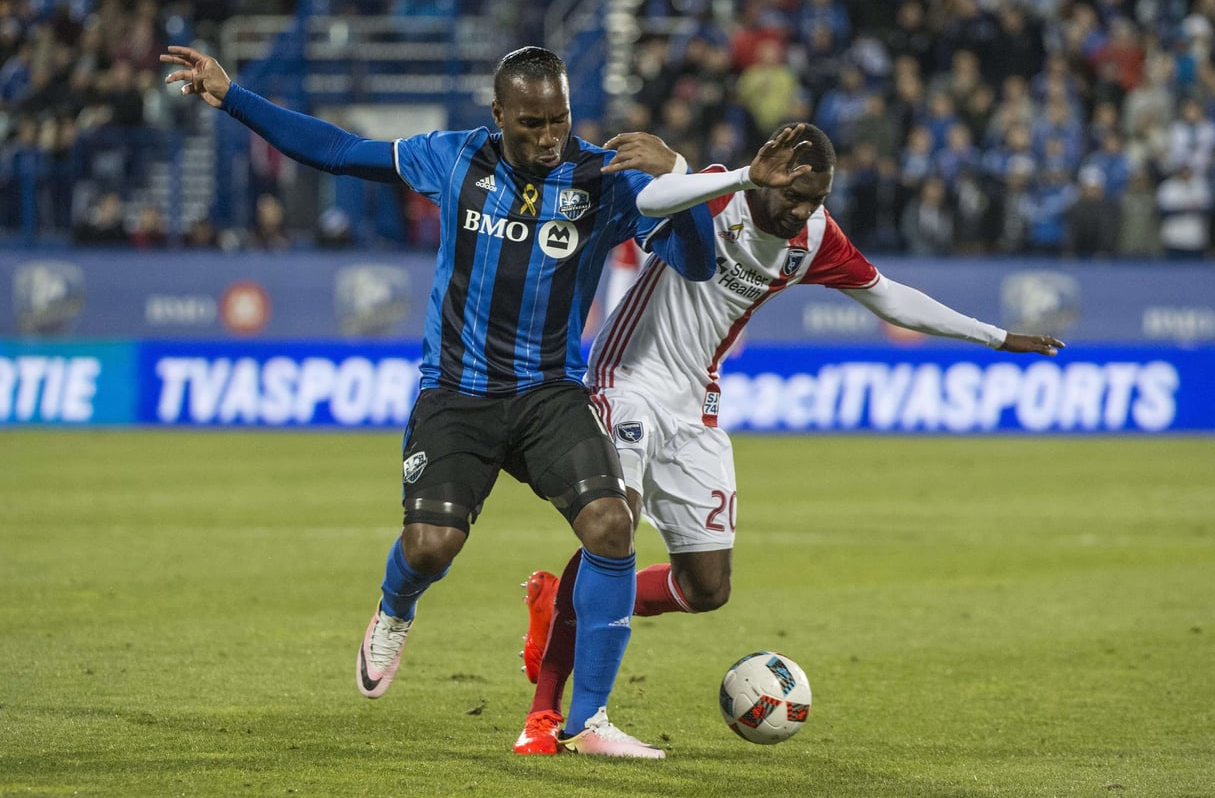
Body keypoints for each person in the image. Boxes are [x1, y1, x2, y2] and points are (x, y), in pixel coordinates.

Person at [161, 43, 718, 759]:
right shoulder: (454, 158)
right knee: (430, 546)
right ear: (498, 117)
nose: (549, 137)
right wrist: (233, 95)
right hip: (457, 393)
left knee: (612, 527)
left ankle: (587, 721)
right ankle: (395, 608)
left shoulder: (603, 179)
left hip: (550, 392)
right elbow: (338, 150)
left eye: (559, 120)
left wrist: (677, 174)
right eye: (532, 123)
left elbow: (697, 264)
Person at [512, 123, 1066, 755]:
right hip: (627, 378)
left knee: (706, 589)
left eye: (815, 199)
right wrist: (677, 169)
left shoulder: (814, 235)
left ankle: (564, 603)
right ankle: (550, 716)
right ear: (764, 174)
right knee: (615, 528)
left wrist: (995, 337)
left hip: (697, 404)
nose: (801, 211)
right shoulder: (718, 193)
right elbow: (651, 204)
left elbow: (888, 297)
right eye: (792, 197)